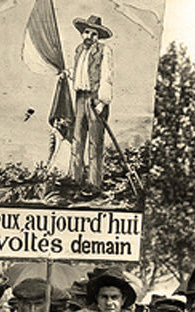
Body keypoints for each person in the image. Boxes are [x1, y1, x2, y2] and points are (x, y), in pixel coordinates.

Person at [69, 15, 114, 194]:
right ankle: (75, 177)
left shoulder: (104, 51)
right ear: (83, 33)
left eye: (93, 34)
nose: (89, 36)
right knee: (77, 138)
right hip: (80, 97)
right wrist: (69, 74)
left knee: (95, 142)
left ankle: (94, 183)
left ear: (98, 36)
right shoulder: (79, 50)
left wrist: (102, 102)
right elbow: (81, 73)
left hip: (96, 99)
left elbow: (106, 76)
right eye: (87, 32)